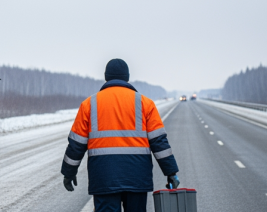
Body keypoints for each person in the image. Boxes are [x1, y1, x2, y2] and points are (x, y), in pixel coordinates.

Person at [60, 58, 180, 212]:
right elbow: (159, 143)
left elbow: (76, 145)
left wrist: (69, 172)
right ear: (127, 77)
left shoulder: (89, 104)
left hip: (104, 177)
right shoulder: (145, 104)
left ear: (106, 77)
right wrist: (171, 172)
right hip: (137, 177)